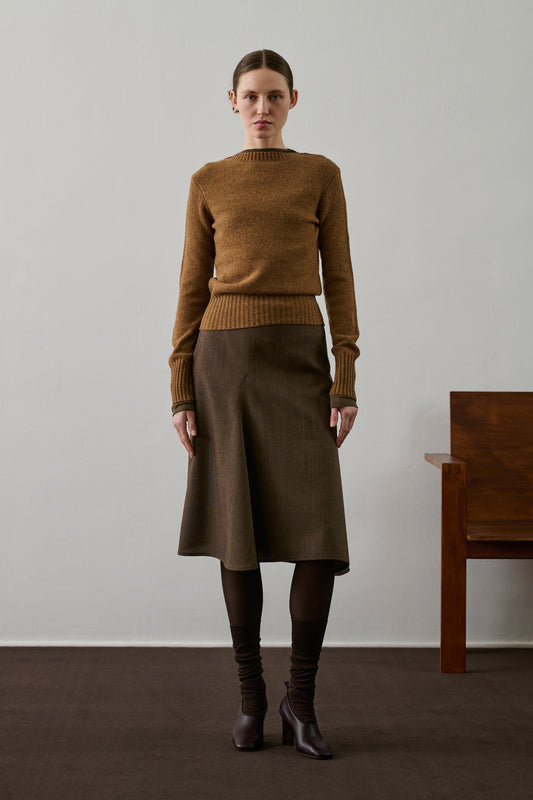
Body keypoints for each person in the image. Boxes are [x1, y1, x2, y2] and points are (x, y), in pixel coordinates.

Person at [168, 48, 360, 759]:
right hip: (224, 368)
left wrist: (344, 375)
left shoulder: (320, 175)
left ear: (292, 101)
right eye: (250, 96)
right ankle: (251, 699)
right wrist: (180, 386)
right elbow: (191, 286)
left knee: (319, 537)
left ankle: (298, 701)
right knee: (237, 531)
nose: (261, 108)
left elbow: (340, 277)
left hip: (299, 361)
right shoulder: (208, 181)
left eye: (274, 95)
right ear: (232, 101)